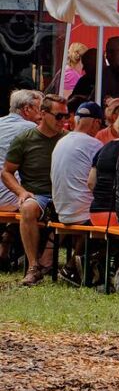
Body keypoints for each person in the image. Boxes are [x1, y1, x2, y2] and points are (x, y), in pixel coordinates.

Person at [3, 94, 68, 286]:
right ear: (43, 113)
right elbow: (7, 172)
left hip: (62, 196)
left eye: (66, 116)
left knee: (79, 208)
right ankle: (33, 266)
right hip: (36, 194)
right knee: (28, 208)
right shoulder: (25, 139)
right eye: (59, 116)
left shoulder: (67, 139)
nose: (63, 121)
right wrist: (21, 192)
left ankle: (58, 262)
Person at [50, 102, 103, 227]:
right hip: (84, 215)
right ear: (96, 122)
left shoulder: (61, 142)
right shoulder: (94, 144)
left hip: (61, 213)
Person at [0, 90, 43, 212]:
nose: (42, 114)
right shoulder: (32, 129)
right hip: (11, 199)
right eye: (39, 109)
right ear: (27, 109)